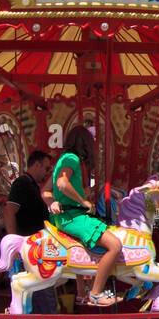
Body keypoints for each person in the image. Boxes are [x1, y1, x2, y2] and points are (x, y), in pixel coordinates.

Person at [6, 150, 82, 319]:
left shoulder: (31, 186)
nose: (47, 172)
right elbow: (9, 211)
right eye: (47, 168)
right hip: (31, 252)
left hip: (36, 249)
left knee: (37, 304)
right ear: (37, 164)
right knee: (47, 300)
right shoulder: (21, 184)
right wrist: (14, 245)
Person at [48, 127, 122, 306]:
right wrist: (83, 201)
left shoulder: (63, 160)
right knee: (115, 245)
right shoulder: (71, 158)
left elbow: (49, 190)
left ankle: (82, 292)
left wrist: (53, 201)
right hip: (72, 216)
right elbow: (62, 184)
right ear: (84, 143)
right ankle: (96, 293)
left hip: (66, 216)